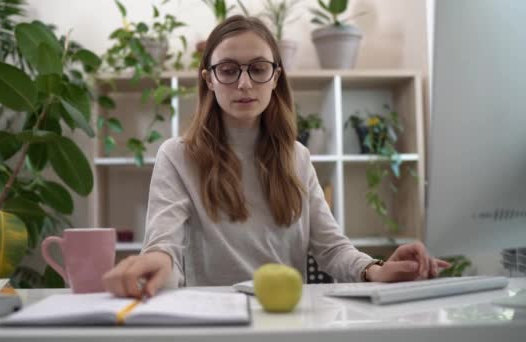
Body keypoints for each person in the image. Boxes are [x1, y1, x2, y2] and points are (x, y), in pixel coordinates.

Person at [103, 15, 450, 298]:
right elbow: (163, 246)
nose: (244, 84)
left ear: (275, 77)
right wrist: (157, 262)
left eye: (258, 68)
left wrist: (376, 269)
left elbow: (332, 248)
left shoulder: (297, 157)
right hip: (211, 323)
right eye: (228, 69)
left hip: (286, 320)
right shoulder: (178, 155)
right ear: (208, 79)